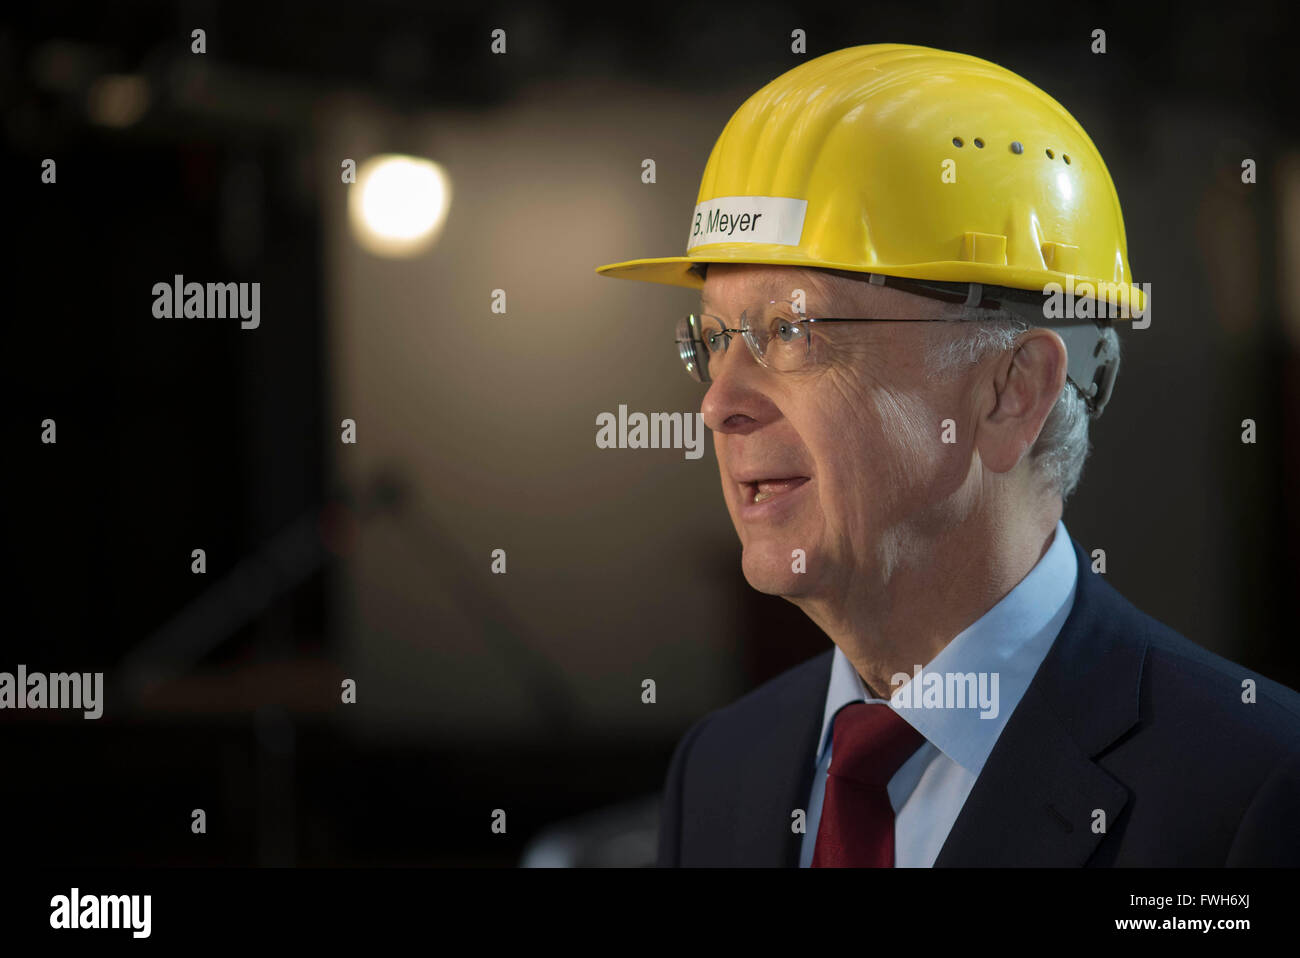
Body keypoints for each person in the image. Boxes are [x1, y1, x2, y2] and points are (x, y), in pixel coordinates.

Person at [595, 44, 1300, 866]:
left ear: (1012, 393)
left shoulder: (1254, 793)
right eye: (712, 339)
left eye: (791, 330)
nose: (718, 403)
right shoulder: (721, 770)